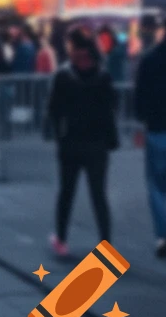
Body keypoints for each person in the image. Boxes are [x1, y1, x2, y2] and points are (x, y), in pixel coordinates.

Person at [45, 28, 117, 258]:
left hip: (71, 142)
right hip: (97, 144)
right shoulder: (102, 75)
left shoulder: (64, 75)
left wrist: (57, 135)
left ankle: (61, 239)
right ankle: (105, 243)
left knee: (66, 192)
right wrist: (111, 139)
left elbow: (54, 110)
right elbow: (111, 108)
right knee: (99, 195)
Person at [134, 15, 166, 258]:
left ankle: (162, 235)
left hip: (158, 129)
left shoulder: (150, 59)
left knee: (156, 187)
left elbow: (140, 96)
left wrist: (143, 117)